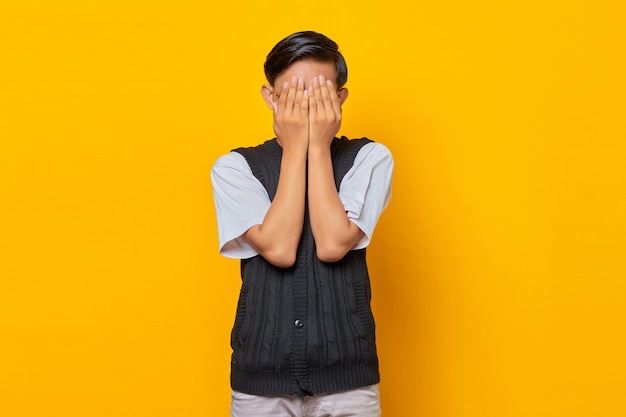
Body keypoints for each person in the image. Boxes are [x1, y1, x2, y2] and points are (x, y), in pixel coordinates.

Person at [211, 31, 394, 417]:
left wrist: (316, 146)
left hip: (348, 379)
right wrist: (295, 148)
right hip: (261, 380)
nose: (306, 106)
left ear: (340, 97)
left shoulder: (370, 158)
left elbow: (332, 243)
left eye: (320, 95)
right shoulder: (235, 168)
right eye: (292, 96)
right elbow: (277, 249)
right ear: (270, 97)